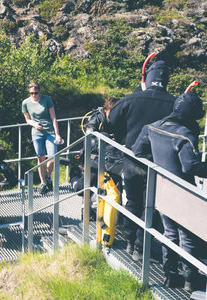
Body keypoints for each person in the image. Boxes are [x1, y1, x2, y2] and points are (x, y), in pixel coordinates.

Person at [133, 92, 207, 292]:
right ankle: (190, 279)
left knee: (169, 232)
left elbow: (137, 151)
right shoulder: (185, 136)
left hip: (163, 189)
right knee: (187, 236)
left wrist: (159, 163)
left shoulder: (152, 127)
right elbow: (190, 168)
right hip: (183, 192)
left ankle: (169, 275)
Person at [107, 60, 176, 261]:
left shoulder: (130, 99)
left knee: (134, 201)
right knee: (152, 205)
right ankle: (142, 246)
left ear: (146, 78)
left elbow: (112, 123)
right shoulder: (174, 103)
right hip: (160, 164)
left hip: (132, 159)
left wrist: (122, 136)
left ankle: (130, 240)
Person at [22, 82, 63, 195]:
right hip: (36, 132)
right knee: (40, 158)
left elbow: (53, 117)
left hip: (49, 131)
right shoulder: (25, 103)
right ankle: (43, 183)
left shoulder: (47, 99)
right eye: (32, 93)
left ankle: (48, 177)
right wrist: (34, 124)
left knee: (52, 157)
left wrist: (57, 134)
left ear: (39, 91)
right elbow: (27, 119)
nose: (34, 95)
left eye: (36, 93)